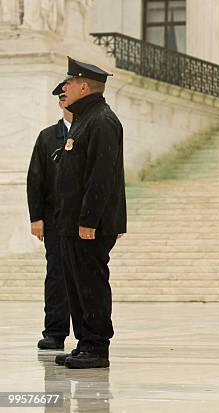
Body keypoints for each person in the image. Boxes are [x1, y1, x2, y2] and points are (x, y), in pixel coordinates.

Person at [52, 56, 126, 369]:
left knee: (91, 283)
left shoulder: (103, 121)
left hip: (89, 225)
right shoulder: (84, 120)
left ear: (83, 85)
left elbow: (101, 176)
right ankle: (84, 342)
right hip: (71, 222)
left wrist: (88, 221)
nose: (62, 90)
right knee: (76, 284)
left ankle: (97, 347)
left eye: (67, 84)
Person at [27, 81, 73, 350]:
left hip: (81, 219)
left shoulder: (89, 131)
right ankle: (55, 332)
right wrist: (36, 218)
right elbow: (35, 179)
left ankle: (86, 333)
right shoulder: (47, 137)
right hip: (54, 220)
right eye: (64, 99)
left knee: (82, 278)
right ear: (60, 103)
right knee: (56, 274)